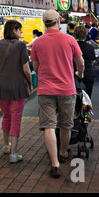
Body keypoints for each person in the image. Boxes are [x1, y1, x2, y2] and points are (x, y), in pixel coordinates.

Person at [30, 10, 84, 178]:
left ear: (44, 22)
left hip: (45, 90)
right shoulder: (70, 39)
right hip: (67, 89)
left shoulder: (37, 43)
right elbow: (80, 62)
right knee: (66, 124)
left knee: (49, 126)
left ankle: (54, 163)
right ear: (58, 21)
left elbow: (36, 68)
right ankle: (62, 153)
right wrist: (79, 74)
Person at [0, 20, 33, 163]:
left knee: (6, 115)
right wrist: (30, 83)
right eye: (19, 29)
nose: (21, 32)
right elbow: (26, 69)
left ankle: (6, 146)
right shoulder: (21, 45)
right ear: (14, 30)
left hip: (2, 85)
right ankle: (14, 153)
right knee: (16, 118)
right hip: (17, 86)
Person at [73, 25, 96, 99]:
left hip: (75, 73)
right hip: (88, 73)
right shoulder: (90, 47)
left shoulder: (72, 46)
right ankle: (86, 110)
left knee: (75, 97)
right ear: (86, 34)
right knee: (87, 97)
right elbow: (93, 59)